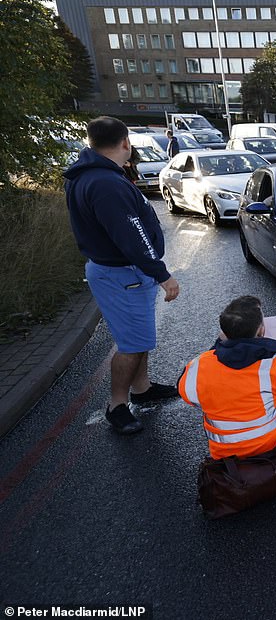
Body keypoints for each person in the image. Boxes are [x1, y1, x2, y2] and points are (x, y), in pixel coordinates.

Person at [64, 116, 181, 435]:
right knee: (131, 343)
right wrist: (162, 274)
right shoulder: (105, 184)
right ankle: (117, 405)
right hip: (123, 274)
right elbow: (131, 235)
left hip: (120, 272)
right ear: (125, 142)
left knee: (139, 336)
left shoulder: (89, 175)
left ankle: (141, 389)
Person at [178, 296, 276, 459]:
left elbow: (188, 395)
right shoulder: (274, 364)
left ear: (224, 333)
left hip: (226, 455)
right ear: (261, 331)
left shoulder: (199, 365)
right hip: (272, 444)